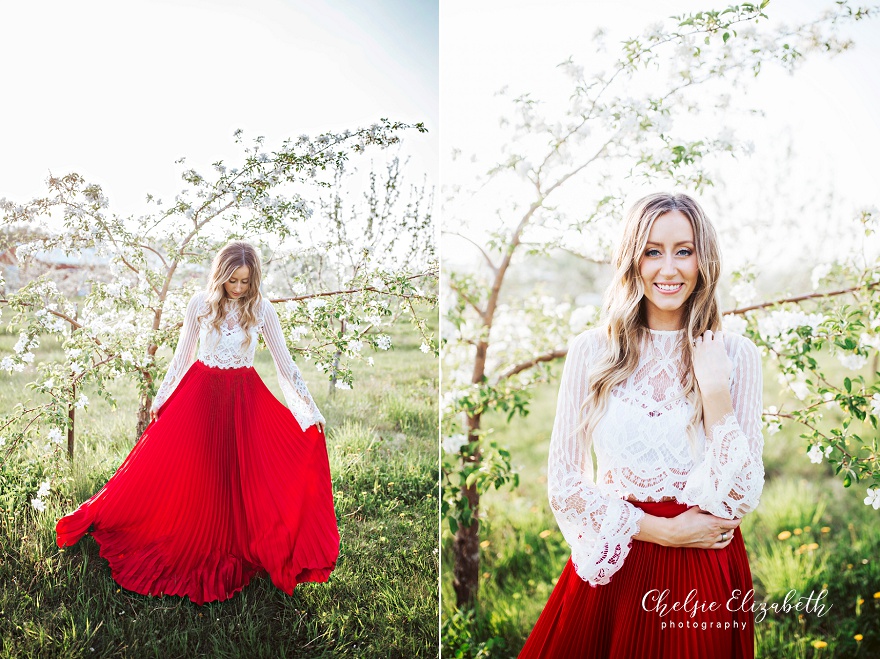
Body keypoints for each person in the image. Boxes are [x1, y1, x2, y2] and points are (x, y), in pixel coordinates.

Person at [519, 193, 764, 658]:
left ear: (704, 259)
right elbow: (564, 485)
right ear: (632, 259)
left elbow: (739, 497)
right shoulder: (593, 352)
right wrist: (660, 530)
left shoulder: (737, 356)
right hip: (618, 554)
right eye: (653, 251)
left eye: (684, 251)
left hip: (704, 567)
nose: (668, 269)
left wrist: (714, 391)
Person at [56, 240, 339, 605]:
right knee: (197, 471)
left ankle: (234, 540)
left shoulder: (262, 309)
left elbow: (286, 366)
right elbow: (181, 355)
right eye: (232, 281)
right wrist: (161, 397)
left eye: (245, 282)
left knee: (239, 473)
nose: (237, 288)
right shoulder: (199, 305)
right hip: (200, 394)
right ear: (220, 275)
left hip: (243, 399)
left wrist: (309, 410)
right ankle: (195, 533)